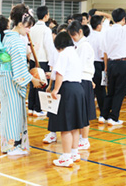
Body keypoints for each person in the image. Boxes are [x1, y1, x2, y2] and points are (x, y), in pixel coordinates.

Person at [0, 4, 42, 155]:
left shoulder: (7, 37)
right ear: (20, 23)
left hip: (5, 78)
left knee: (8, 112)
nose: (29, 30)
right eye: (28, 27)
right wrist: (33, 80)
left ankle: (9, 145)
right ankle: (11, 146)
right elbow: (19, 67)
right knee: (14, 113)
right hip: (13, 79)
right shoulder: (17, 42)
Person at [48, 31, 89, 167]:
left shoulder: (64, 53)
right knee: (75, 125)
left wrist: (55, 90)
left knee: (65, 126)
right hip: (78, 89)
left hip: (68, 90)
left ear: (60, 45)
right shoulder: (74, 53)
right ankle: (74, 152)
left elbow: (60, 73)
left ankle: (65, 157)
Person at [100, 0, 126, 125]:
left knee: (110, 90)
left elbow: (104, 51)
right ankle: (113, 117)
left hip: (110, 63)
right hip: (122, 64)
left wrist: (105, 67)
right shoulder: (125, 29)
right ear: (123, 19)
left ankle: (103, 115)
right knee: (119, 92)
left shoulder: (107, 31)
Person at [67, 20, 95, 150]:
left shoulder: (84, 46)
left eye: (74, 36)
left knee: (85, 111)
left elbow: (80, 65)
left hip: (83, 79)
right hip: (82, 79)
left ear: (80, 32)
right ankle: (82, 139)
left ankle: (85, 139)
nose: (73, 39)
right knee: (81, 111)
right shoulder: (79, 45)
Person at [28, 6, 53, 117]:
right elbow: (48, 47)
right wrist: (51, 62)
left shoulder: (32, 28)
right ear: (45, 15)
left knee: (33, 83)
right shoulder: (46, 30)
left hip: (33, 59)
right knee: (41, 85)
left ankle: (31, 108)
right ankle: (38, 109)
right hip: (42, 60)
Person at [87, 15, 106, 116]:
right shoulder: (101, 36)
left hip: (88, 64)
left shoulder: (88, 36)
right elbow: (102, 54)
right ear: (99, 25)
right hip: (98, 64)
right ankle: (103, 114)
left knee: (90, 89)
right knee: (100, 89)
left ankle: (89, 113)